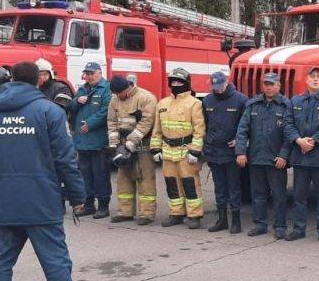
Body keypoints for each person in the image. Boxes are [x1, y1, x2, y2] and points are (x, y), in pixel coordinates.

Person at [0, 60, 101, 281]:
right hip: (41, 199)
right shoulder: (48, 111)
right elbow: (65, 158)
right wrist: (77, 195)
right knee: (56, 259)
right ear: (38, 81)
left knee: (2, 260)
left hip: (6, 198)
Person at [284, 67, 319, 243]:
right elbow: (287, 123)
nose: (315, 80)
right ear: (307, 80)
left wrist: (314, 141)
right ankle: (299, 229)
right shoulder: (295, 101)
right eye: (312, 77)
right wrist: (299, 141)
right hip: (300, 157)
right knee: (299, 197)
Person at [236, 72, 291, 239]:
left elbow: (290, 134)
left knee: (279, 195)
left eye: (272, 84)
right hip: (255, 158)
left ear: (279, 86)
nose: (268, 87)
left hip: (276, 161)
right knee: (258, 195)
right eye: (266, 84)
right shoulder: (253, 105)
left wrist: (284, 155)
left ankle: (280, 226)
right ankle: (260, 224)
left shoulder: (286, 106)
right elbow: (242, 130)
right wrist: (240, 152)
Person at [151, 68, 206, 229]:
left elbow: (199, 130)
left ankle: (195, 215)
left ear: (186, 83)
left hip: (186, 151)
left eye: (179, 82)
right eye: (173, 81)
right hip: (168, 152)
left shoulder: (194, 103)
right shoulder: (162, 103)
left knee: (190, 184)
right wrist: (155, 148)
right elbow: (157, 129)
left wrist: (195, 151)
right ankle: (176, 213)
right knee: (171, 184)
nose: (175, 84)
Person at [106, 75, 158, 225]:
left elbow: (147, 122)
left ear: (127, 89)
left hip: (142, 146)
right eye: (115, 94)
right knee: (123, 180)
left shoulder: (146, 98)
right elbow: (112, 121)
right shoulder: (115, 99)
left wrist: (131, 142)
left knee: (145, 179)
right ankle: (125, 212)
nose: (117, 97)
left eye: (119, 93)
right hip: (123, 146)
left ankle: (146, 214)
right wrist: (114, 143)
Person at [202, 70, 248, 233]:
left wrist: (240, 141)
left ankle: (236, 221)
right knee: (219, 188)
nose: (218, 89)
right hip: (214, 151)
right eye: (215, 87)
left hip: (231, 152)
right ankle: (222, 220)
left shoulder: (241, 100)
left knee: (234, 187)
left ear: (227, 82)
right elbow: (205, 125)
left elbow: (247, 125)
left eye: (220, 86)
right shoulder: (207, 100)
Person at [69, 62, 112, 219]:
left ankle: (103, 205)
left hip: (97, 140)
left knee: (100, 173)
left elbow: (106, 110)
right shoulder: (82, 88)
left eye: (91, 73)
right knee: (85, 174)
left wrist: (90, 124)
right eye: (86, 73)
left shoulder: (106, 88)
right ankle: (88, 204)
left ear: (99, 73)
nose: (88, 76)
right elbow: (71, 107)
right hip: (82, 140)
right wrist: (76, 101)